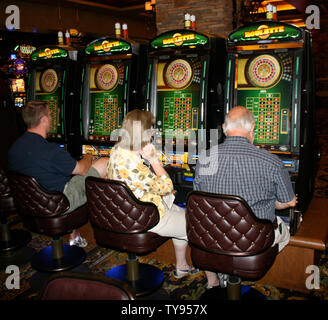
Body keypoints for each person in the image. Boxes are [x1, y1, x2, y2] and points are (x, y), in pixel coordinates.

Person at [193, 106, 296, 289]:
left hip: (210, 236)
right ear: (252, 128)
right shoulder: (272, 161)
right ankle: (241, 267)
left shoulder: (204, 158)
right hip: (252, 242)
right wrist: (272, 202)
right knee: (286, 232)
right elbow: (287, 202)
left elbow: (200, 199)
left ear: (224, 127)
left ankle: (218, 276)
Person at [106, 109, 199, 278]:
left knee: (182, 212)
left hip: (122, 213)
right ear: (145, 133)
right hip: (144, 217)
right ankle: (199, 272)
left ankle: (182, 266)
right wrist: (153, 159)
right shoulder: (133, 165)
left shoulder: (117, 151)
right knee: (194, 224)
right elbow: (167, 187)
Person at [8, 100, 108, 247]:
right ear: (43, 120)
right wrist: (88, 156)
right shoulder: (51, 151)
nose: (51, 118)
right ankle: (113, 225)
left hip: (32, 205)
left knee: (67, 178)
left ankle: (74, 234)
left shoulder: (14, 149)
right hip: (59, 204)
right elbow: (82, 169)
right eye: (49, 115)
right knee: (104, 163)